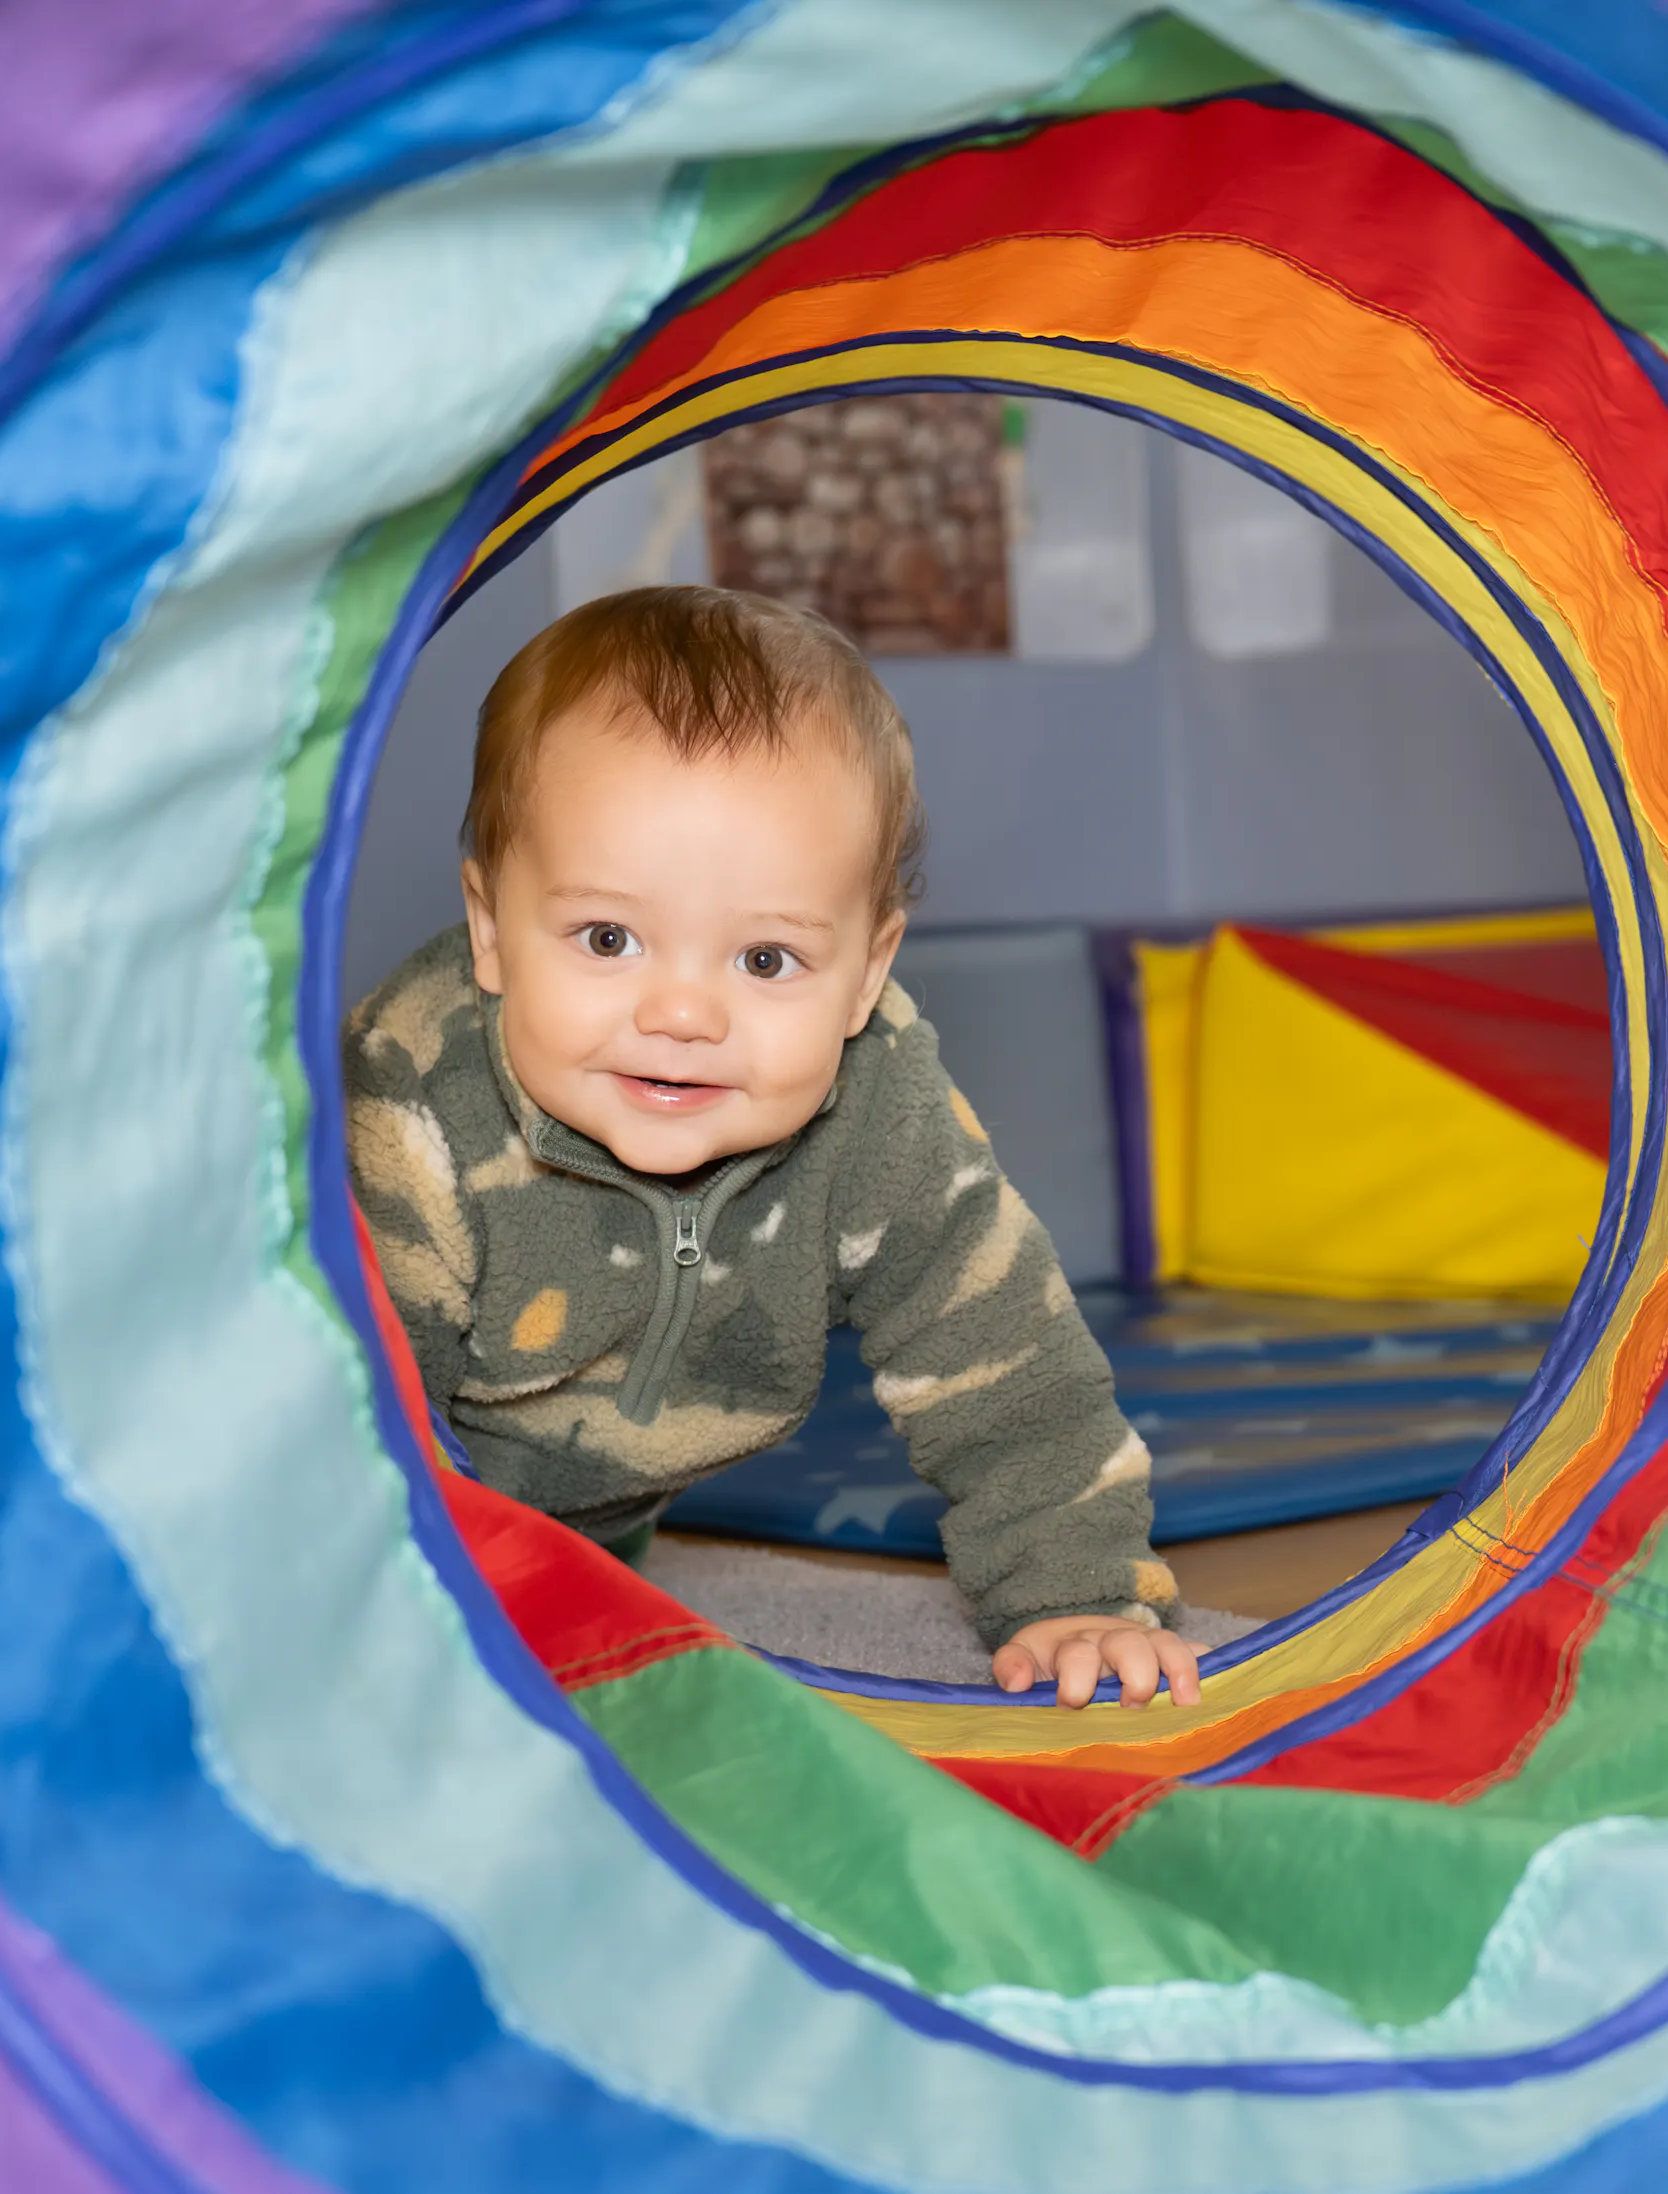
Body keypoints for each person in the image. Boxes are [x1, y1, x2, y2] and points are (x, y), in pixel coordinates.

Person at [344, 584, 1199, 1708]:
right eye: (609, 937)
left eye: (764, 960)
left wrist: (1076, 1591)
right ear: (491, 929)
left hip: (598, 1516)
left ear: (867, 973)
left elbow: (1005, 1356)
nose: (682, 1014)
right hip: (392, 1493)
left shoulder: (878, 1103)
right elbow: (341, 1399)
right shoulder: (411, 1099)